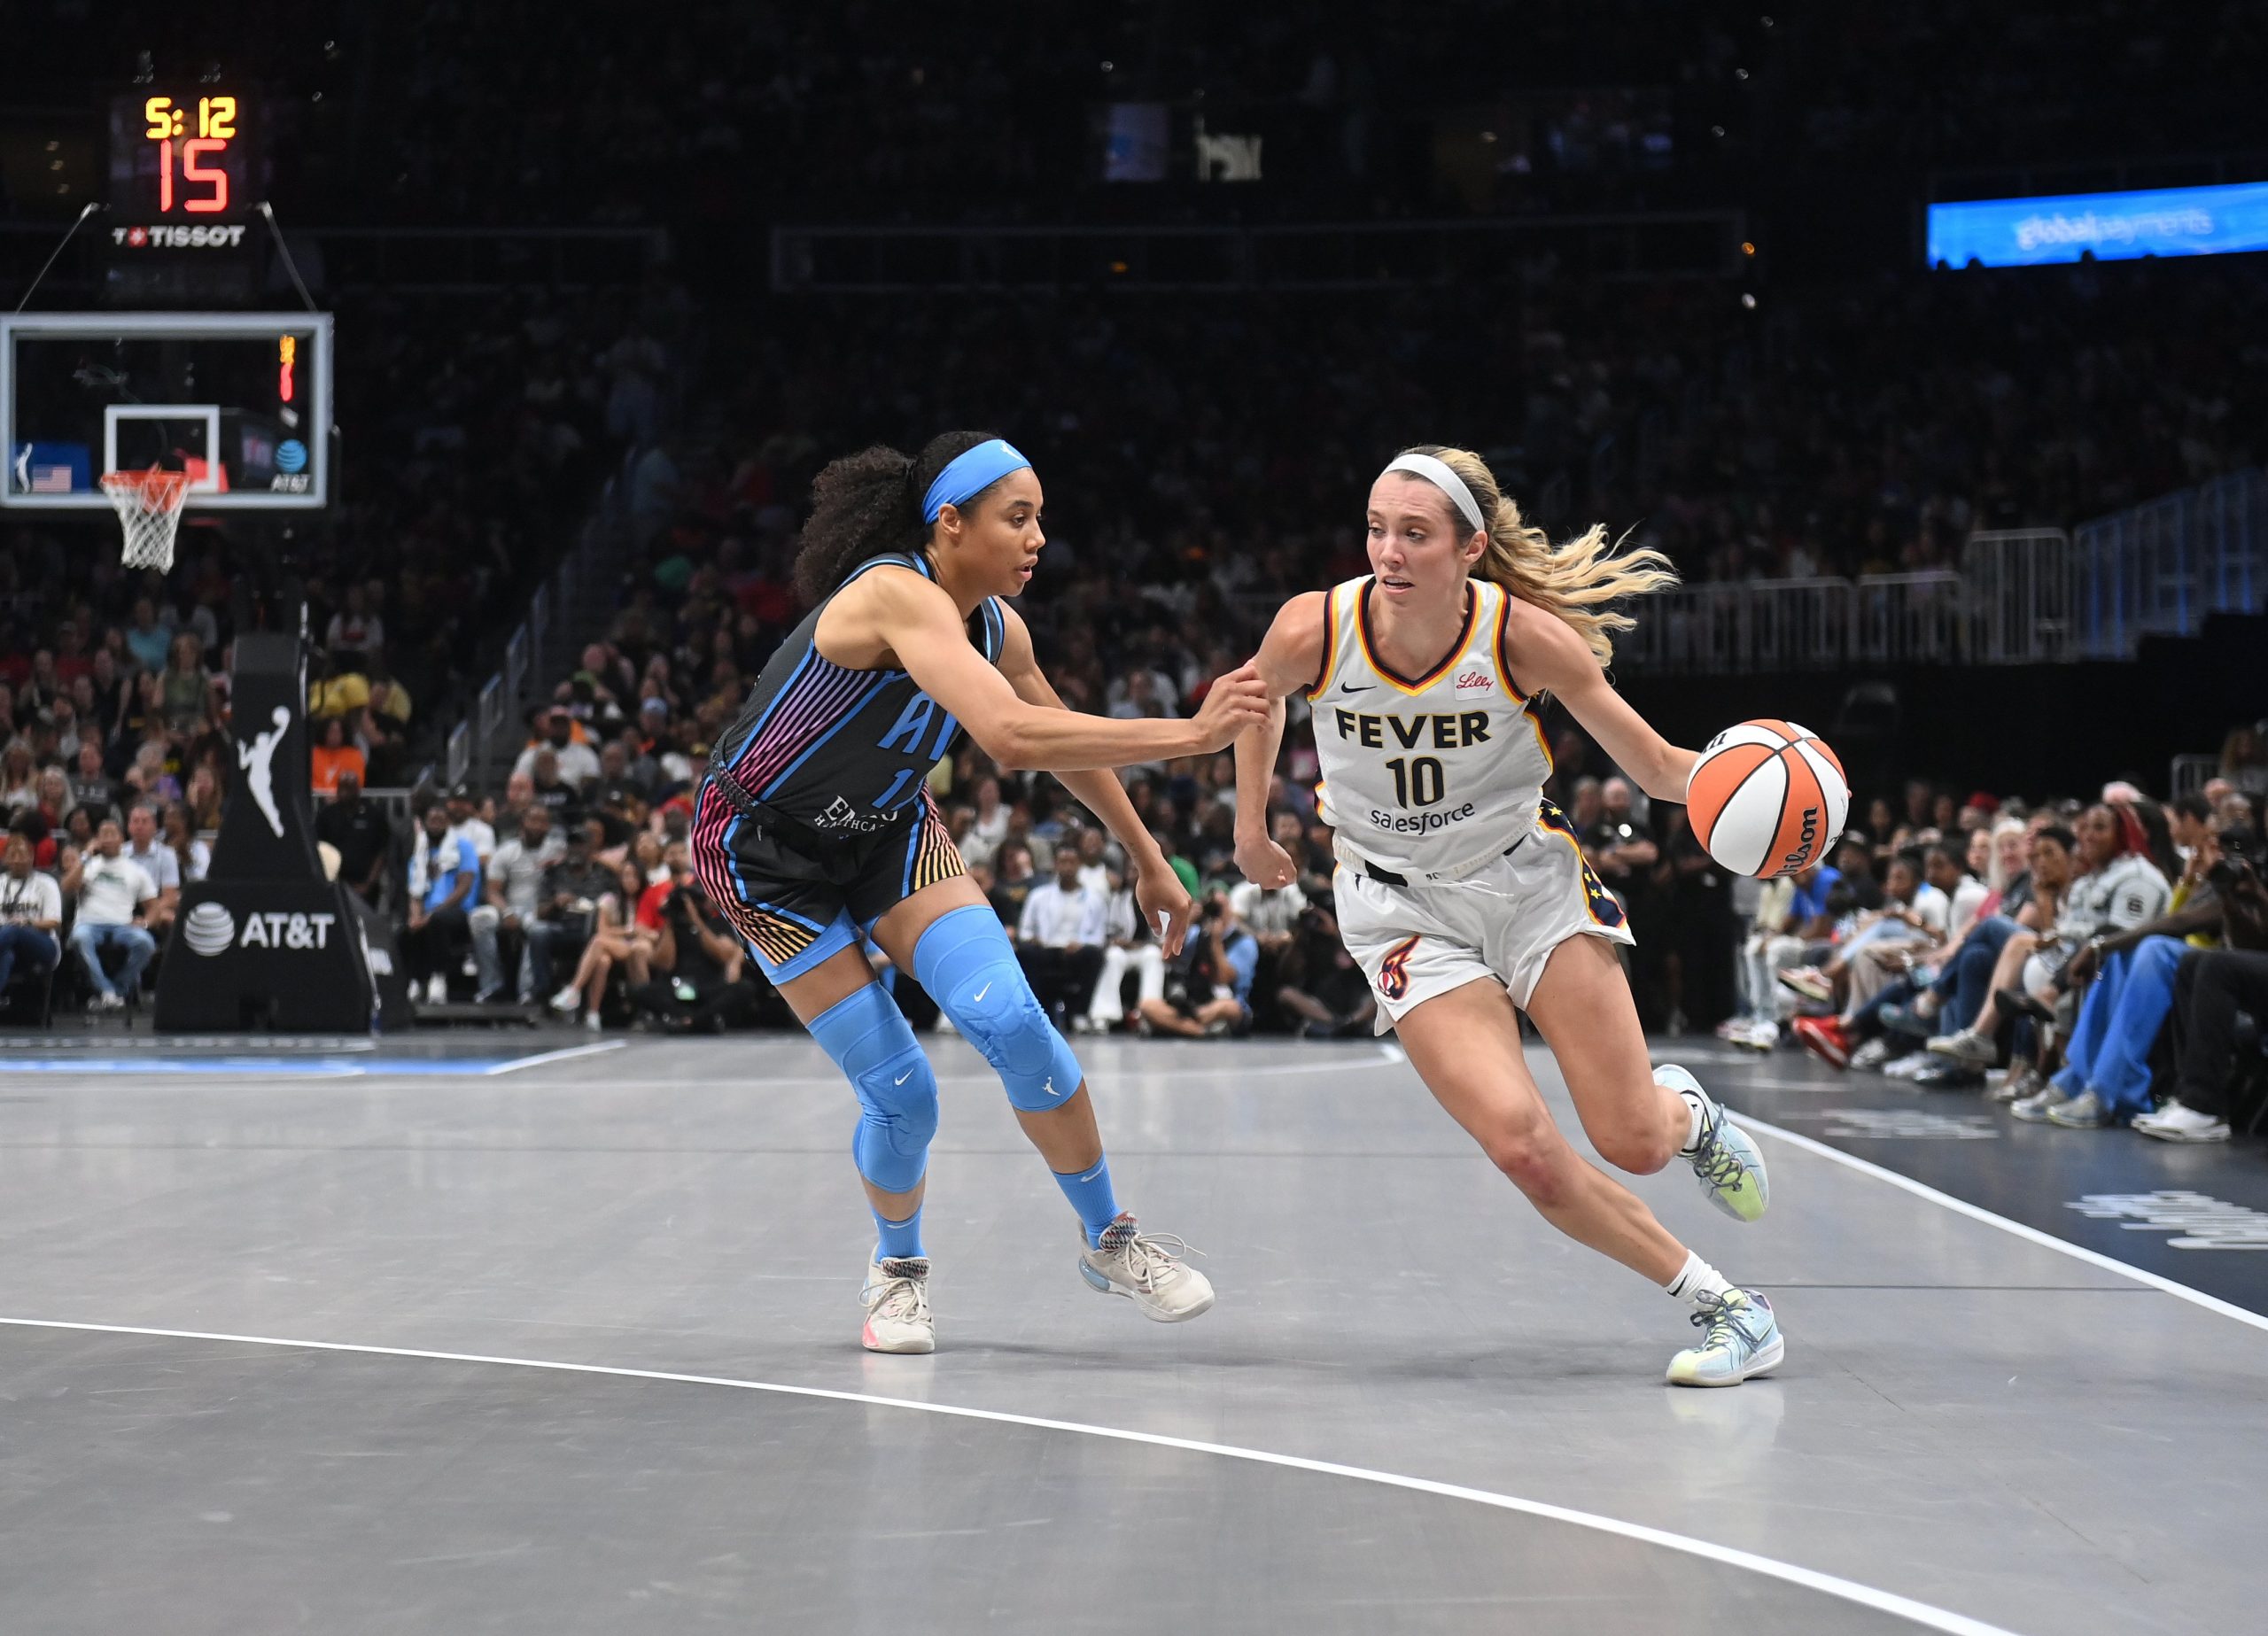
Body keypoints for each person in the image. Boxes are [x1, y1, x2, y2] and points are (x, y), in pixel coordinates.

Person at [687, 430, 1268, 1354]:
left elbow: (1058, 730)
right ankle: (898, 1271)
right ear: (949, 523)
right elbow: (1009, 735)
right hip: (763, 855)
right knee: (902, 1092)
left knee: (1014, 1023)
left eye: (1041, 519)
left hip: (886, 831)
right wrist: (1194, 733)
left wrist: (1147, 855)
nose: (1038, 538)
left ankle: (1108, 1238)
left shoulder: (999, 624)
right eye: (1018, 518)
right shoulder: (892, 594)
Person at [1231, 444, 1776, 1387]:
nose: (1387, 552)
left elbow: (1654, 767)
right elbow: (1255, 703)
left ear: (1471, 548)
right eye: (1374, 529)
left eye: (1413, 533)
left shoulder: (1521, 638)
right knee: (1523, 1148)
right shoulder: (1314, 627)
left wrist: (1766, 781)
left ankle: (1683, 1116)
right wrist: (1248, 825)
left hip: (1526, 885)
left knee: (1630, 1140)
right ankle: (1728, 1306)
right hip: (1398, 908)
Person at [471, 803, 563, 1003]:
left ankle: (527, 990)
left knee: (536, 927)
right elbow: (492, 891)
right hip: (510, 906)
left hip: (539, 909)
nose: (537, 826)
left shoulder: (557, 851)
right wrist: (506, 912)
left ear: (548, 826)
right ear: (523, 822)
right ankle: (491, 984)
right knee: (479, 918)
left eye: (542, 822)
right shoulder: (506, 851)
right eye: (533, 820)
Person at [62, 818, 157, 1010]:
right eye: (103, 834)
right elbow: (67, 887)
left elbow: (153, 907)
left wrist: (146, 923)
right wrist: (85, 856)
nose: (108, 839)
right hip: (89, 922)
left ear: (121, 838)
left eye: (112, 834)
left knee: (146, 943)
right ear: (97, 839)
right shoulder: (89, 865)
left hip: (122, 924)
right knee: (80, 938)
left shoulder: (135, 870)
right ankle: (107, 991)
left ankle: (115, 990)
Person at [1136, 889, 1258, 1037]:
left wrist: (1216, 943)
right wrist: (1187, 921)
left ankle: (1178, 1026)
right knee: (1147, 1006)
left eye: (1219, 906)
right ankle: (1199, 1031)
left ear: (1229, 907)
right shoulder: (1196, 933)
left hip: (1224, 1002)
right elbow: (1167, 958)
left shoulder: (1244, 941)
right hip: (1193, 1003)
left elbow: (1224, 979)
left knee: (1228, 1007)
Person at [1014, 845, 1107, 1027]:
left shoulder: (1095, 899)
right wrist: (1032, 939)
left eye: (1072, 862)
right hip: (1046, 949)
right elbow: (1024, 930)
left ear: (1079, 864)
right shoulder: (1038, 896)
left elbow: (1099, 935)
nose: (1067, 867)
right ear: (1056, 864)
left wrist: (1081, 943)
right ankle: (1035, 1011)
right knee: (1026, 952)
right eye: (1063, 862)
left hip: (1076, 952)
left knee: (1094, 955)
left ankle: (1080, 1013)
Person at [406, 802, 480, 1004]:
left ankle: (439, 978)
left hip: (458, 910)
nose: (436, 824)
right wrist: (415, 916)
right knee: (406, 930)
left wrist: (429, 916)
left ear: (448, 822)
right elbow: (415, 892)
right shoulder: (419, 851)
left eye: (441, 819)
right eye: (432, 820)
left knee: (436, 921)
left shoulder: (462, 846)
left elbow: (464, 886)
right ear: (425, 823)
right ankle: (415, 980)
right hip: (429, 911)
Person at [315, 771, 394, 908]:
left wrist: (368, 883)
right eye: (342, 788)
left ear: (358, 789)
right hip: (334, 884)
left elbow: (382, 851)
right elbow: (319, 848)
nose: (345, 793)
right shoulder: (327, 815)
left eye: (349, 788)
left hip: (365, 887)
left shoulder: (373, 815)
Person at [0, 833, 63, 999]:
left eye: (22, 854)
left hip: (42, 944)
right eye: (12, 855)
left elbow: (54, 922)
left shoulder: (46, 883)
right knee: (6, 956)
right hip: (6, 944)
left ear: (31, 858)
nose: (18, 859)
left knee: (13, 929)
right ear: (5, 859)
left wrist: (27, 922)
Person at [120, 802, 182, 939]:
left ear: (154, 827)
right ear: (128, 826)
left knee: (170, 918)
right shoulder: (120, 853)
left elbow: (170, 896)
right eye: (135, 821)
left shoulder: (167, 854)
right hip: (123, 906)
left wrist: (150, 914)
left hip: (155, 905)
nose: (139, 826)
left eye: (144, 822)